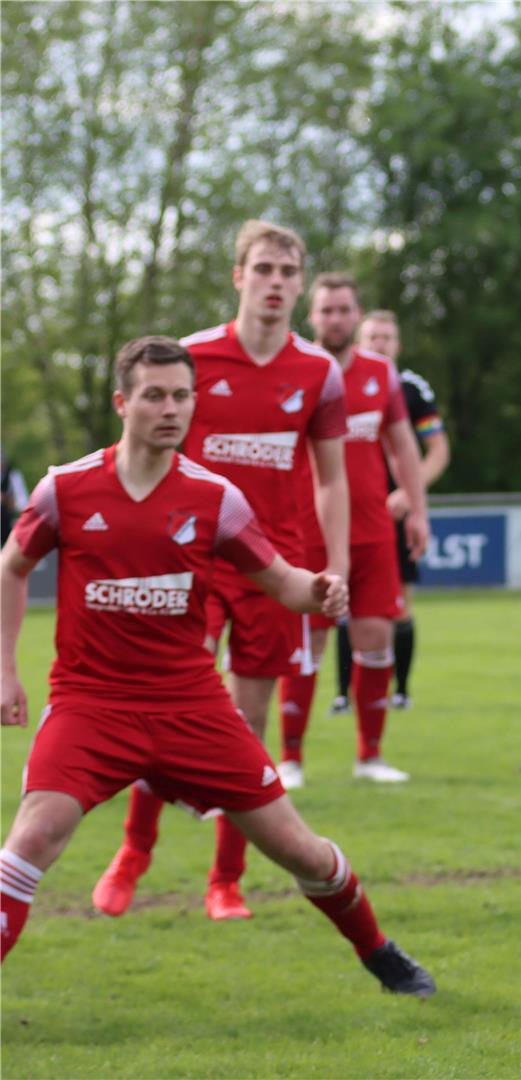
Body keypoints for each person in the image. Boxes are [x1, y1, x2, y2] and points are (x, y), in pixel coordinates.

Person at [0, 336, 434, 996]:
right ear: (123, 402)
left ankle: (378, 950)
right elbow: (12, 566)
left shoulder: (216, 499)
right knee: (32, 838)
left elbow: (281, 582)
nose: (170, 408)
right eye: (154, 395)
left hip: (192, 706)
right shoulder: (66, 488)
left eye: (181, 395)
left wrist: (319, 588)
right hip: (92, 704)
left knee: (298, 850)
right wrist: (6, 669)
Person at [92, 220, 350, 922]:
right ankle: (134, 851)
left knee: (245, 725)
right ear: (239, 275)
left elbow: (332, 480)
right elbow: (149, 454)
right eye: (262, 267)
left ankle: (224, 882)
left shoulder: (319, 373)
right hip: (191, 565)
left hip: (275, 567)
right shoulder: (195, 360)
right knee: (159, 708)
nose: (275, 281)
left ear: (300, 282)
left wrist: (336, 565)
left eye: (287, 270)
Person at [276, 276, 430, 788]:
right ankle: (290, 759)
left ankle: (370, 756)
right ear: (312, 315)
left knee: (376, 639)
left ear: (356, 313)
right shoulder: (295, 367)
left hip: (373, 531)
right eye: (327, 310)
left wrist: (418, 511)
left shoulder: (381, 374)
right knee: (307, 644)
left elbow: (404, 446)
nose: (335, 319)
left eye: (344, 309)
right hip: (307, 532)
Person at [332, 310, 449, 715]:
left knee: (397, 609)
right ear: (359, 342)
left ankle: (400, 690)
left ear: (397, 345)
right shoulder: (331, 380)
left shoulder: (411, 389)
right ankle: (342, 692)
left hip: (393, 515)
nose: (380, 343)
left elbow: (437, 450)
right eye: (372, 337)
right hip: (344, 510)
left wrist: (410, 494)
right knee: (340, 604)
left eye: (387, 337)